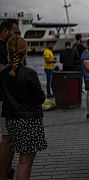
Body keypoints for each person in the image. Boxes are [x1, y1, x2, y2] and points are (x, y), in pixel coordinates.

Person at [0, 36, 47, 180]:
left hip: (12, 120)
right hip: (29, 121)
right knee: (25, 162)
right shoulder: (29, 73)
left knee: (22, 161)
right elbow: (40, 98)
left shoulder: (2, 74)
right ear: (24, 51)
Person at [0, 19, 20, 180]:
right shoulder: (1, 49)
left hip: (8, 99)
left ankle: (7, 170)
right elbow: (4, 75)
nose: (18, 35)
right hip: (5, 99)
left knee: (10, 137)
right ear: (6, 31)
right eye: (16, 32)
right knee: (7, 138)